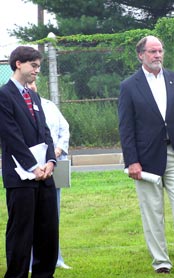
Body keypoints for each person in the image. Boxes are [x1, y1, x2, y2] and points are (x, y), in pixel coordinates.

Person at [118, 35, 174, 274]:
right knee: (152, 212)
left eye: (160, 51)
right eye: (152, 52)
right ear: (141, 55)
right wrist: (132, 161)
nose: (158, 55)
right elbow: (126, 126)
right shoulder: (129, 86)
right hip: (146, 158)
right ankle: (161, 261)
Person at [0, 46, 58, 277]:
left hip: (45, 176)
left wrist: (51, 162)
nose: (37, 71)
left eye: (39, 66)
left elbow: (45, 131)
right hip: (21, 177)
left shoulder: (33, 95)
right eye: (33, 66)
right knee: (21, 233)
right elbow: (11, 136)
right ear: (18, 64)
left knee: (48, 231)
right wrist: (33, 167)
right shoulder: (4, 96)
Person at [27, 81, 72, 270]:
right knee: (29, 216)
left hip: (52, 164)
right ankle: (29, 261)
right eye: (26, 82)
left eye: (33, 82)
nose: (30, 85)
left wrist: (58, 150)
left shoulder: (49, 106)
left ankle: (55, 258)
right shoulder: (13, 106)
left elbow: (64, 129)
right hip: (29, 169)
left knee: (53, 215)